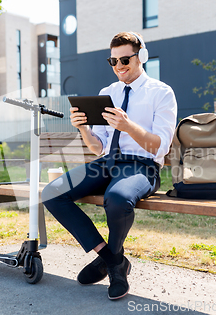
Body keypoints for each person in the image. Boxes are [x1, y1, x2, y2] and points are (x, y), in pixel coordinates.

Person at [42, 32, 177, 300]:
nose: (118, 66)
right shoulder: (108, 93)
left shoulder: (161, 93)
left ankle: (110, 265)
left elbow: (159, 146)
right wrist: (82, 129)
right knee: (52, 193)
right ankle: (114, 260)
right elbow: (98, 147)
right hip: (106, 163)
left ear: (142, 57)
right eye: (113, 61)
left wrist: (128, 126)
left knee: (117, 199)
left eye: (125, 59)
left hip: (141, 165)